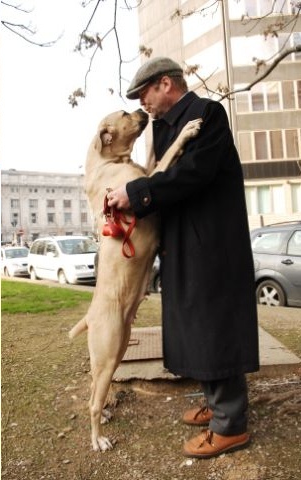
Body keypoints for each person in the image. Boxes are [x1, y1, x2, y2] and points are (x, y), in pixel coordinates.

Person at [107, 57, 259, 458]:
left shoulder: (208, 113)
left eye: (145, 95)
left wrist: (137, 194)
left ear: (165, 84)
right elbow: (163, 174)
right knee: (198, 328)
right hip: (184, 243)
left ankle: (230, 427)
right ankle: (217, 403)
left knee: (216, 328)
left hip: (211, 245)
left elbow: (193, 173)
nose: (144, 104)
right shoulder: (165, 126)